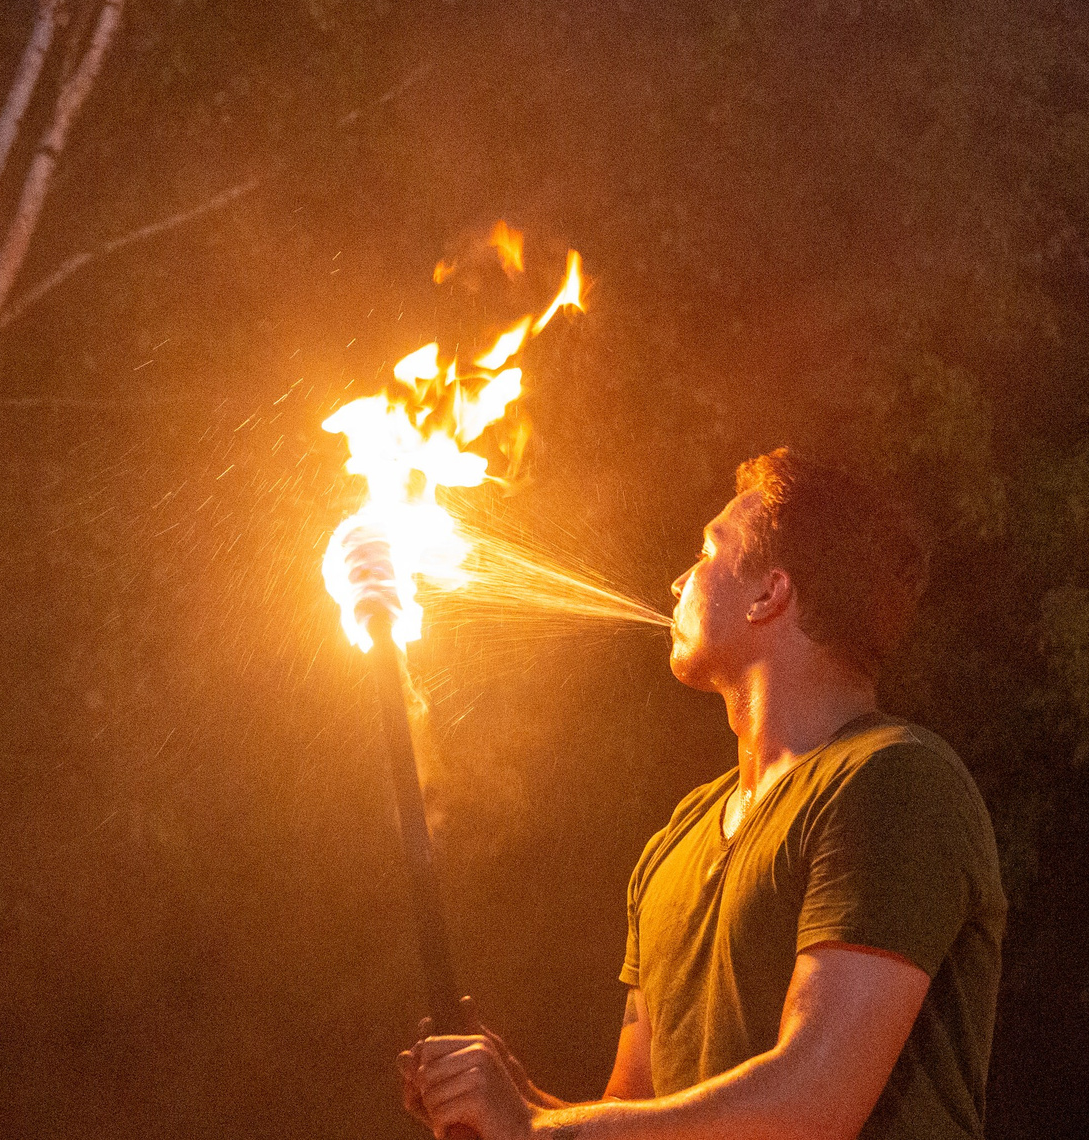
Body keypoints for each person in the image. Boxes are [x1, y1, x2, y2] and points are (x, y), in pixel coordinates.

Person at [401, 448, 1006, 1140]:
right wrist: (517, 1102)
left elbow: (812, 1104)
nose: (677, 581)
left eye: (706, 552)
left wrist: (535, 1132)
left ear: (769, 594)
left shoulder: (894, 781)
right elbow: (640, 1115)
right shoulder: (677, 841)